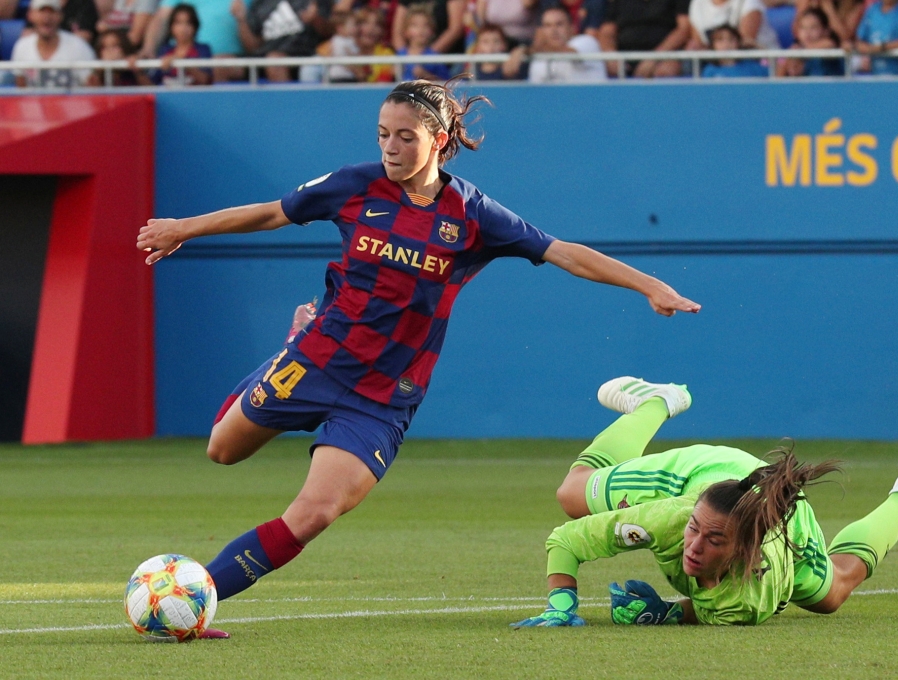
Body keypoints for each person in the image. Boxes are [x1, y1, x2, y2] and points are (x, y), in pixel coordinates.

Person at [136, 78, 702, 638]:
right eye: (383, 134)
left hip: (382, 397)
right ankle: (286, 349)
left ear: (439, 138)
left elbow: (563, 253)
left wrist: (648, 284)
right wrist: (183, 228)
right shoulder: (354, 186)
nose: (389, 148)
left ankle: (194, 601)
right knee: (222, 451)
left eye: (405, 137)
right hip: (316, 361)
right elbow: (271, 213)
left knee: (315, 514)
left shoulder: (473, 215)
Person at [512, 376, 898, 627]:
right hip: (695, 479)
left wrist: (665, 614)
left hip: (788, 521)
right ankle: (656, 401)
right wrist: (562, 604)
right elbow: (566, 540)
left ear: (744, 549)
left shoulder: (752, 598)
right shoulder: (671, 519)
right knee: (572, 495)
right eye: (695, 531)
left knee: (829, 597)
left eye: (712, 540)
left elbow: (709, 608)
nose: (693, 546)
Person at [232, 0, 332, 82]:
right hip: (265, 56)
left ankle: (290, 106)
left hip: (303, 54)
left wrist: (315, 19)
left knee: (274, 60)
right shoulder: (259, 3)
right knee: (222, 63)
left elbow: (331, 33)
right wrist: (241, 20)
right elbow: (253, 48)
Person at [11, 0, 95, 88]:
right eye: (42, 11)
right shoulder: (22, 47)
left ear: (61, 15)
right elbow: (21, 89)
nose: (47, 18)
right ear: (31, 15)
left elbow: (93, 90)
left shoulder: (79, 47)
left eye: (52, 12)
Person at [597, 0, 691, 77]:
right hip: (624, 57)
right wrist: (611, 57)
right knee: (601, 68)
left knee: (667, 70)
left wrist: (654, 58)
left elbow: (683, 29)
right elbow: (607, 31)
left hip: (664, 55)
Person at [528, 5, 607, 82]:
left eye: (559, 24)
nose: (553, 31)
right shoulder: (538, 58)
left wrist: (528, 51)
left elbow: (571, 53)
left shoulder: (587, 41)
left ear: (572, 28)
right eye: (548, 26)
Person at [150, 2, 212, 84]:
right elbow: (152, 84)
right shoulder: (165, 50)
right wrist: (137, 70)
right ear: (171, 26)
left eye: (188, 23)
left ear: (195, 26)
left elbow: (205, 80)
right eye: (178, 23)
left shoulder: (203, 49)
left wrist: (181, 63)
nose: (183, 28)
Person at [854, 0, 898, 75]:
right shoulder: (872, 10)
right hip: (877, 75)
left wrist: (883, 47)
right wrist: (864, 48)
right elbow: (859, 40)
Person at [779, 7, 845, 76]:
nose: (807, 32)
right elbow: (778, 77)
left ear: (826, 31)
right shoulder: (794, 49)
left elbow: (829, 44)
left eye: (813, 27)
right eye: (803, 27)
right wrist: (788, 61)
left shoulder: (828, 45)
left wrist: (800, 52)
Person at [687, 0, 780, 49]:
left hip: (760, 63)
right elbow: (699, 43)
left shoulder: (749, 2)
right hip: (717, 66)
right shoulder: (697, 3)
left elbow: (743, 44)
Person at [299, 9, 358, 83]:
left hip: (350, 77)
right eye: (352, 25)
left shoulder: (352, 41)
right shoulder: (337, 40)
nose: (355, 28)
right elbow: (336, 55)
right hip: (338, 77)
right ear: (340, 28)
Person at [86, 27, 154, 84]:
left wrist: (137, 71)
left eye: (115, 46)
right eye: (104, 47)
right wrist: (99, 71)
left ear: (124, 47)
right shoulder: (97, 73)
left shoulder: (133, 69)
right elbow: (89, 95)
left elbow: (151, 94)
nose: (110, 51)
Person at [397, 6, 450, 80]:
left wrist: (425, 75)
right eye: (414, 25)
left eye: (425, 25)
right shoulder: (400, 55)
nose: (420, 30)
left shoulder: (435, 57)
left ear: (432, 31)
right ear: (406, 30)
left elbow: (445, 82)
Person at [700, 23, 770, 76]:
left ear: (738, 43)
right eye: (720, 39)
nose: (726, 44)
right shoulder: (709, 70)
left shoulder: (751, 66)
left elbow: (780, 63)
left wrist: (756, 45)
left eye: (731, 39)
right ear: (713, 45)